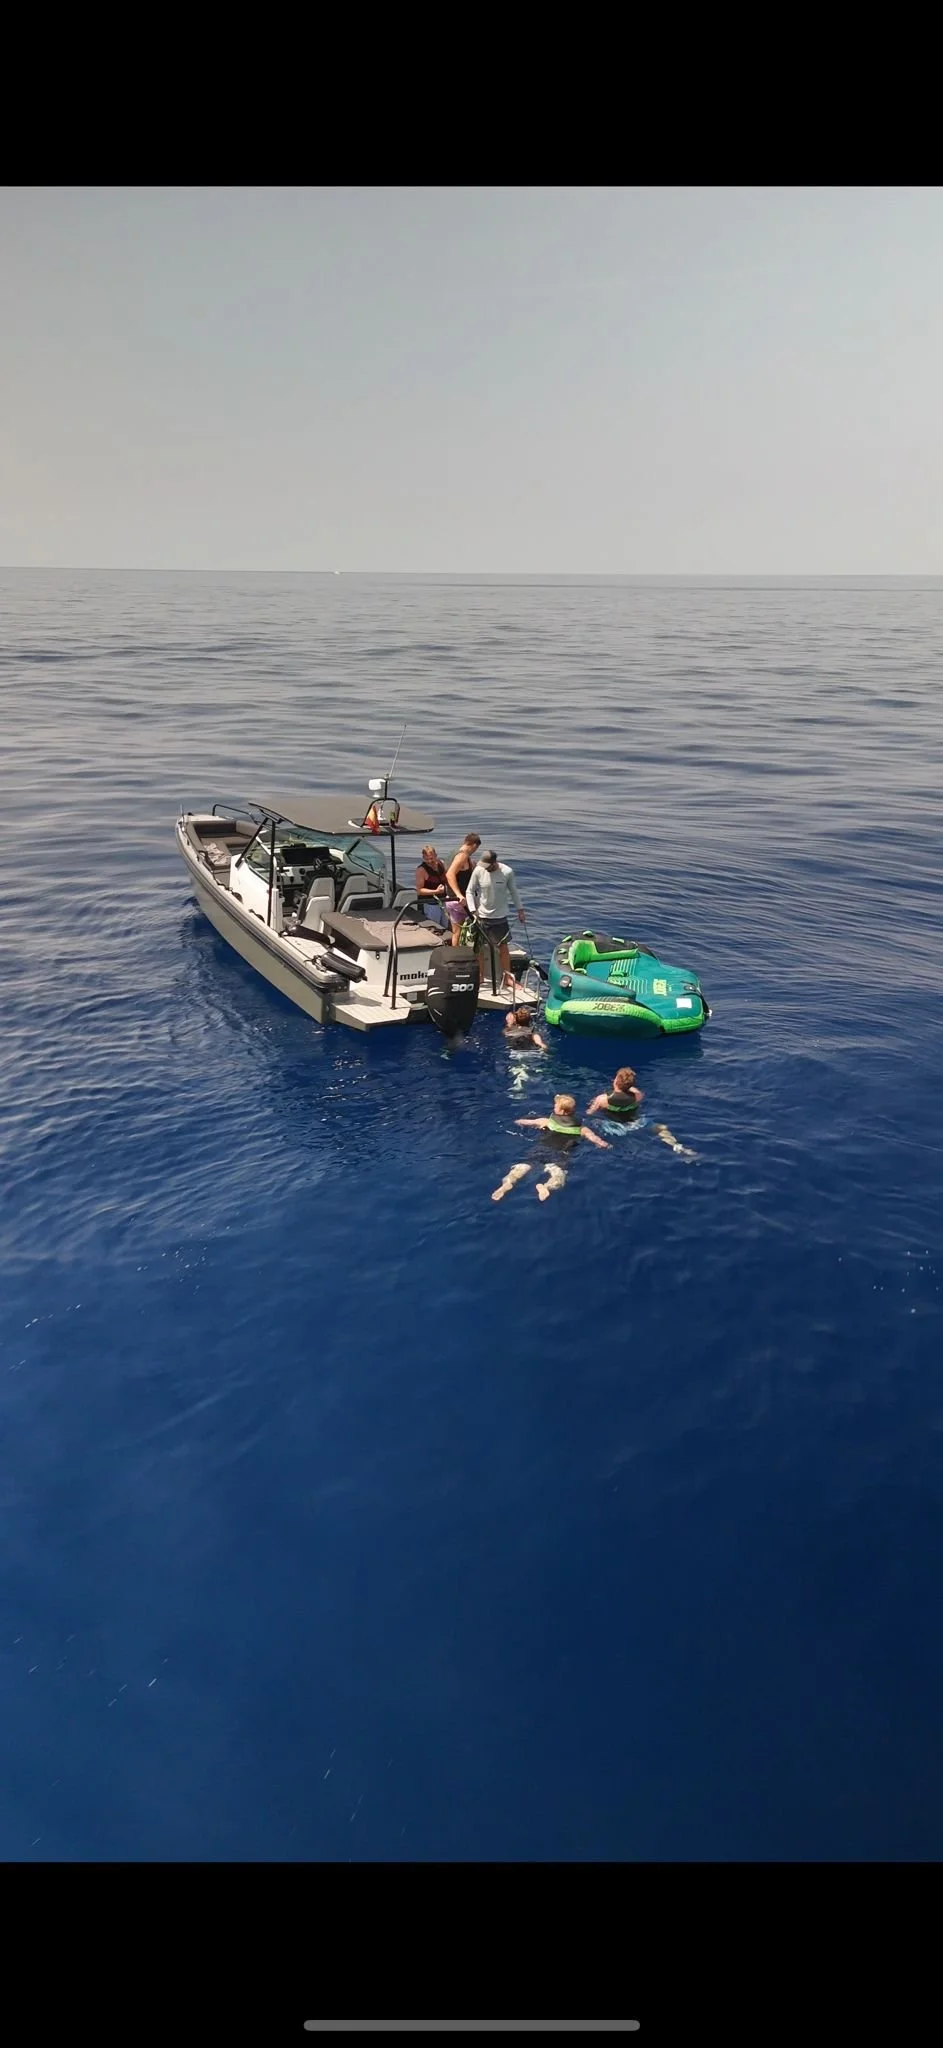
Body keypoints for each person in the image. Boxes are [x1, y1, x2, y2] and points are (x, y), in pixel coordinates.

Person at [492, 1093, 609, 1203]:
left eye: (555, 1106)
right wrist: (605, 1145)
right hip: (560, 1154)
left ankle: (506, 1184)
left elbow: (525, 1122)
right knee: (558, 1175)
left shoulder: (547, 1122)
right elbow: (595, 1139)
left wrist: (517, 1121)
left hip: (540, 1149)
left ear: (562, 1111)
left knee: (522, 1167)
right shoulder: (581, 1129)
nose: (554, 1107)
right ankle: (546, 1186)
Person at [466, 849, 526, 991]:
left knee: (503, 948)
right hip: (481, 915)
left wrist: (520, 910)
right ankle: (480, 976)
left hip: (500, 917)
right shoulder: (479, 870)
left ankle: (507, 978)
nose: (485, 868)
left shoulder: (507, 872)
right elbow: (469, 890)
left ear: (494, 863)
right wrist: (472, 910)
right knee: (478, 948)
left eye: (487, 865)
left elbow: (514, 891)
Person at [442, 833, 481, 946]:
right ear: (473, 845)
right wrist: (459, 894)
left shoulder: (452, 853)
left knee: (456, 932)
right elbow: (450, 874)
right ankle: (481, 952)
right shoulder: (463, 855)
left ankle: (456, 955)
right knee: (483, 921)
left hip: (450, 899)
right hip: (461, 901)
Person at [414, 844, 449, 920]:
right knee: (435, 927)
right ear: (423, 858)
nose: (429, 861)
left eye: (431, 858)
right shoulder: (421, 870)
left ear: (436, 855)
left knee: (445, 924)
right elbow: (419, 890)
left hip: (444, 900)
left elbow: (447, 879)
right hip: (430, 903)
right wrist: (436, 891)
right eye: (427, 859)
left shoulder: (441, 864)